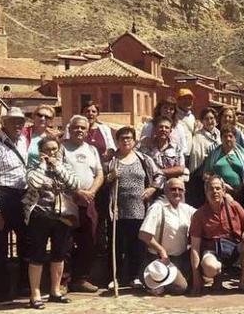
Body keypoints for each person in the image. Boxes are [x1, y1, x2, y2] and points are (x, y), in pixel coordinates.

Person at [22, 136, 79, 309]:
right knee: (37, 254)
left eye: (54, 149)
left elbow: (74, 184)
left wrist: (57, 166)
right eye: (47, 149)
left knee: (59, 253)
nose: (51, 152)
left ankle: (55, 291)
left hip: (62, 216)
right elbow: (34, 183)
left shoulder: (65, 167)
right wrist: (43, 165)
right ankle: (35, 294)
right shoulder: (33, 167)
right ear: (41, 152)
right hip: (40, 214)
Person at [0, 106, 30, 301]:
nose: (18, 124)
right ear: (4, 123)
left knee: (26, 242)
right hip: (2, 196)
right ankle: (1, 290)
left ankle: (24, 285)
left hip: (21, 196)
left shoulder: (23, 142)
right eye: (14, 121)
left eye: (21, 121)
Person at [105, 126, 164, 289]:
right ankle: (115, 277)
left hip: (139, 208)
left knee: (137, 245)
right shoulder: (111, 161)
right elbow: (103, 182)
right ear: (117, 141)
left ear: (134, 140)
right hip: (118, 209)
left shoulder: (143, 159)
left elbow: (160, 175)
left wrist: (152, 188)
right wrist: (110, 177)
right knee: (116, 245)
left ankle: (134, 276)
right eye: (122, 138)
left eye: (129, 138)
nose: (125, 141)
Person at [189, 175, 244, 295]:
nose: (214, 192)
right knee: (211, 267)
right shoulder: (199, 215)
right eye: (211, 189)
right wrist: (196, 279)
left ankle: (243, 282)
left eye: (217, 188)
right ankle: (218, 275)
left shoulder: (234, 206)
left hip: (233, 248)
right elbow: (195, 248)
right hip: (211, 252)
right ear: (206, 192)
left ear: (223, 190)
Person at [61, 115, 104, 293]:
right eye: (76, 127)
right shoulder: (61, 148)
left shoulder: (91, 150)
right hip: (67, 201)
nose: (79, 130)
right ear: (69, 129)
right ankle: (63, 281)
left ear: (87, 131)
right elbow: (58, 173)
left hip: (88, 202)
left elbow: (99, 174)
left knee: (89, 240)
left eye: (82, 128)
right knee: (65, 241)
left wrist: (91, 192)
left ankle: (81, 278)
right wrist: (76, 192)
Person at [138, 177, 196, 295]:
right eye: (173, 189)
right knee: (181, 287)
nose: (177, 192)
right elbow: (143, 235)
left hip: (181, 258)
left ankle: (158, 281)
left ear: (184, 192)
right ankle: (150, 278)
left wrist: (225, 198)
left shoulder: (185, 208)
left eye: (180, 189)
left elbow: (202, 215)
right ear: (165, 191)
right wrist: (161, 250)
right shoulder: (157, 208)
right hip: (161, 259)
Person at [202, 129, 244, 197]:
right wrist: (221, 185)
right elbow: (206, 174)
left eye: (230, 136)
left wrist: (239, 189)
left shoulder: (243, 154)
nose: (228, 139)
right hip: (219, 192)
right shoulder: (214, 154)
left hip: (239, 192)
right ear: (221, 139)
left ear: (235, 138)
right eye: (225, 136)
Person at [140, 116, 187, 180]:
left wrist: (158, 171)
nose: (163, 129)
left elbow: (181, 169)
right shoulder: (146, 147)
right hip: (151, 185)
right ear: (155, 130)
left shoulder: (176, 147)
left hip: (170, 186)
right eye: (161, 127)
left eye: (167, 127)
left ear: (170, 131)